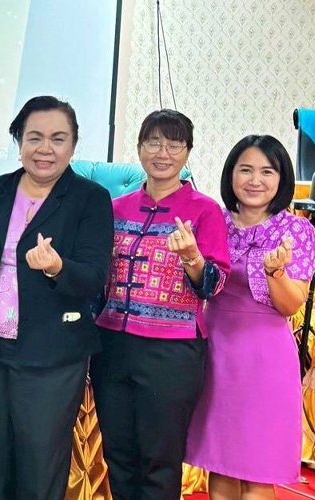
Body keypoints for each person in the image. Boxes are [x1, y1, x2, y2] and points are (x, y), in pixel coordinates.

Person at [0, 96, 115, 500]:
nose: (45, 149)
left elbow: (94, 278)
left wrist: (57, 267)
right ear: (19, 141)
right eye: (34, 137)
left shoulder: (90, 198)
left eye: (58, 139)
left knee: (40, 466)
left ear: (73, 145)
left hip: (51, 357)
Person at [92, 109, 232, 500]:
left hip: (171, 353)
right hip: (112, 346)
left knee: (160, 459)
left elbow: (215, 285)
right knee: (118, 454)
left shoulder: (204, 210)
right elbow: (99, 280)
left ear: (187, 152)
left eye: (174, 144)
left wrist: (192, 258)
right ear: (139, 148)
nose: (163, 153)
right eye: (153, 142)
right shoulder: (116, 208)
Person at [184, 135, 315, 500]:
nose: (255, 180)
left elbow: (291, 306)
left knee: (258, 472)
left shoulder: (296, 230)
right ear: (231, 175)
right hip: (215, 353)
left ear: (282, 178)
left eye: (267, 171)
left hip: (265, 358)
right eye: (246, 170)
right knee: (220, 465)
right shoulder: (213, 220)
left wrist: (276, 273)